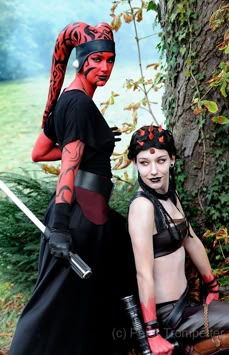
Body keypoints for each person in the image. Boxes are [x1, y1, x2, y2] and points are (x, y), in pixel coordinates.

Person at [9, 21, 136, 355]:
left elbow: (42, 151)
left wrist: (92, 144)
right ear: (82, 60)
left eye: (110, 60)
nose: (105, 67)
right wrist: (61, 228)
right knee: (52, 306)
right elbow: (67, 165)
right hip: (78, 217)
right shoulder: (79, 104)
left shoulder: (70, 98)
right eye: (98, 60)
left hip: (91, 214)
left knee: (83, 303)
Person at [127, 124, 229, 355]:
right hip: (172, 315)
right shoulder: (142, 207)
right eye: (144, 163)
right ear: (135, 164)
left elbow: (191, 239)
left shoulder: (169, 195)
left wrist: (213, 286)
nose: (153, 171)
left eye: (161, 161)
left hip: (189, 301)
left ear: (173, 160)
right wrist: (153, 334)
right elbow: (143, 273)